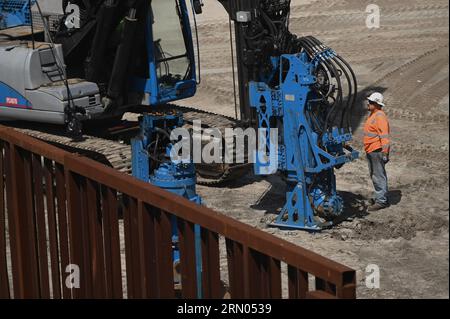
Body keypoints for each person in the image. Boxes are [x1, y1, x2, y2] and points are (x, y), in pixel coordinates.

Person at [364, 92, 391, 211]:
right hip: (371, 149)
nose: (368, 104)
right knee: (375, 175)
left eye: (370, 102)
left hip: (377, 150)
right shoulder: (373, 115)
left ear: (376, 104)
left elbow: (384, 136)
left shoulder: (379, 116)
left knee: (378, 175)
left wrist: (385, 152)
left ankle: (381, 201)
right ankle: (380, 197)